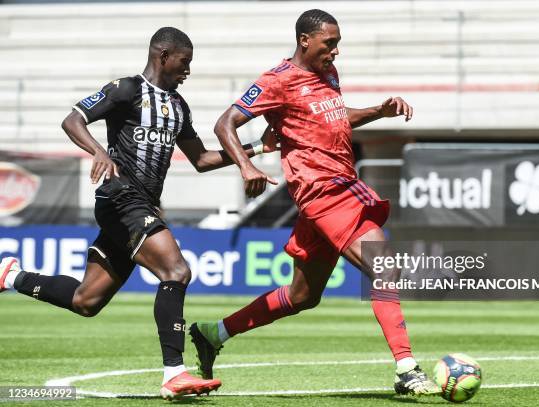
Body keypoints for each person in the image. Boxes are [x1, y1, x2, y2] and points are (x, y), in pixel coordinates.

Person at [0, 27, 277, 400]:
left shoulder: (178, 106)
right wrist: (98, 151)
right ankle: (174, 373)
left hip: (140, 206)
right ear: (163, 56)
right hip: (120, 199)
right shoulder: (126, 89)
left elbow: (202, 160)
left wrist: (257, 147)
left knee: (87, 301)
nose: (188, 70)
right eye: (185, 62)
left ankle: (12, 276)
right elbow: (73, 120)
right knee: (176, 271)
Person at [188, 9, 440, 397]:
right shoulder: (278, 80)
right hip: (325, 191)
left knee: (303, 296)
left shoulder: (327, 74)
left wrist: (378, 110)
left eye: (338, 43)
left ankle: (214, 333)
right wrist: (246, 166)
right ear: (305, 40)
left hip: (332, 193)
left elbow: (335, 119)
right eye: (330, 43)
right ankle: (407, 367)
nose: (336, 51)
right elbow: (225, 124)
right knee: (386, 270)